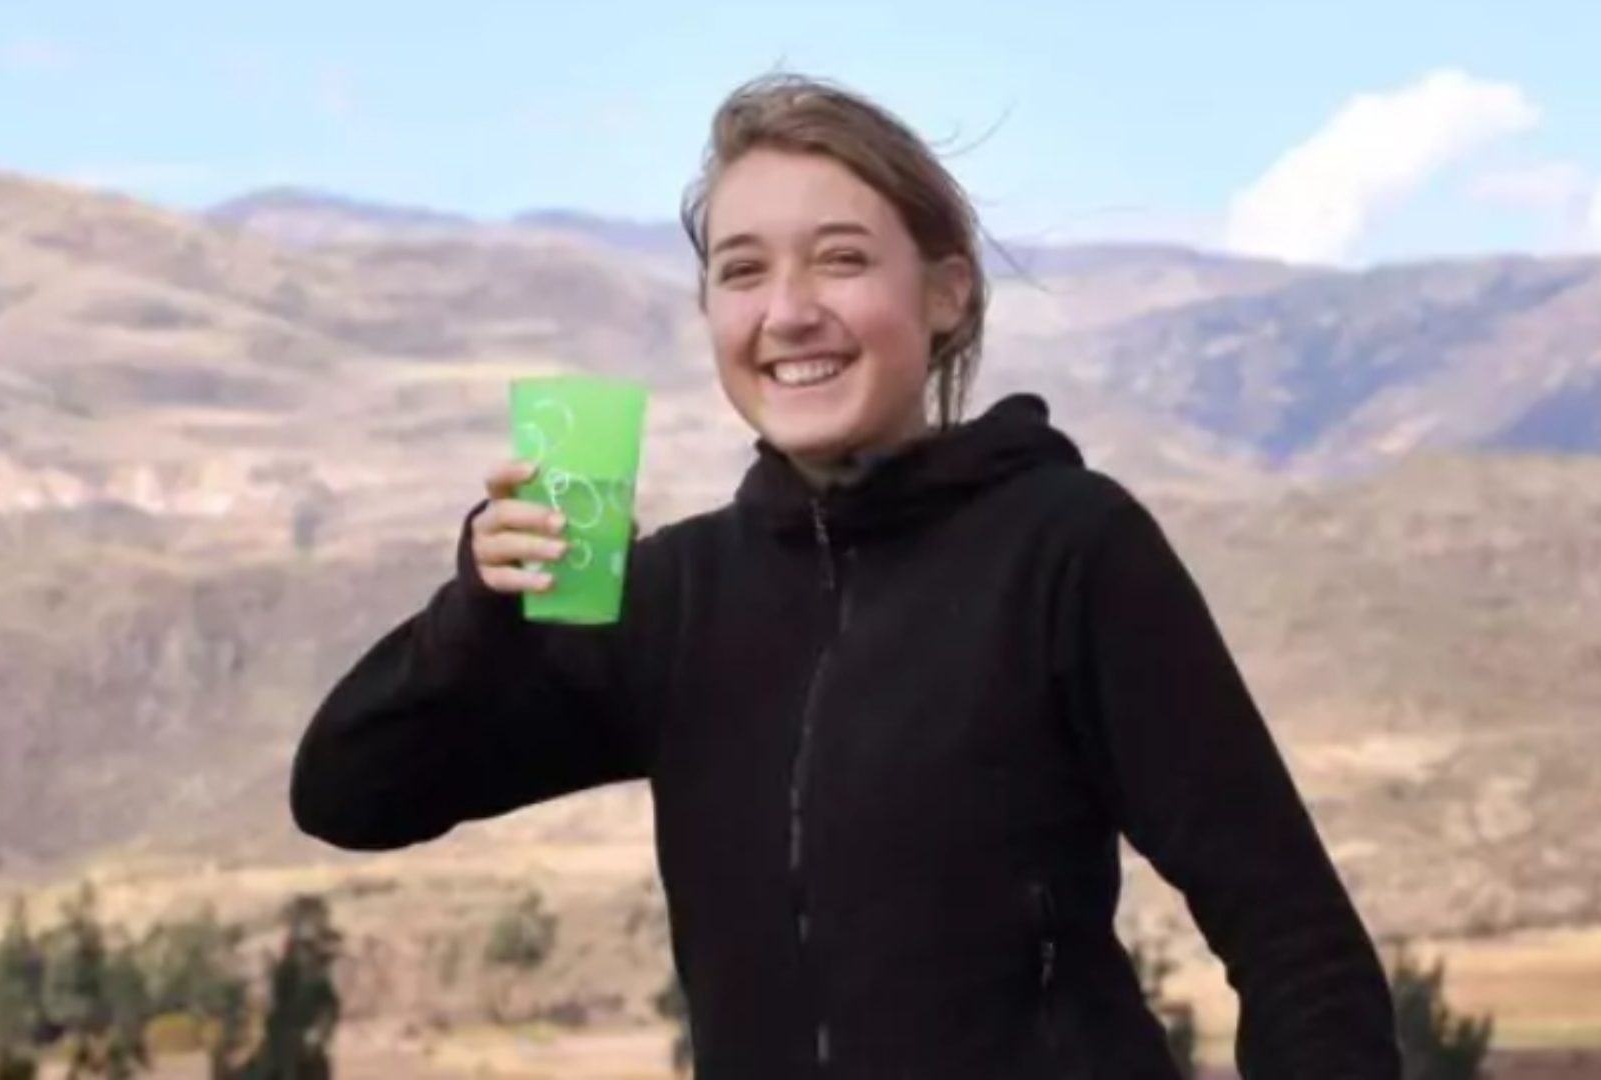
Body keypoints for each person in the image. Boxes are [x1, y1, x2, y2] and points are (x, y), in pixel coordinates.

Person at [290, 73, 1401, 1078]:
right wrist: (480, 612)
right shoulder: (679, 600)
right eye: (743, 271)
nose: (788, 312)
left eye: (843, 257)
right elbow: (352, 794)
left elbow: (1294, 941)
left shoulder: (1068, 550)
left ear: (948, 294)